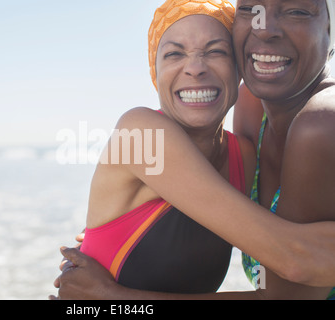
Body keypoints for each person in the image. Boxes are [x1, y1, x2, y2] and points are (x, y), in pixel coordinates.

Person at [52, 0, 335, 300]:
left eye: (216, 52)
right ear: (155, 70)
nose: (196, 68)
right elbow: (293, 263)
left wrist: (114, 298)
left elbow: (286, 278)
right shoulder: (139, 135)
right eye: (174, 54)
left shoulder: (245, 156)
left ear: (237, 67)